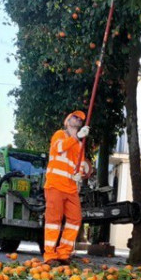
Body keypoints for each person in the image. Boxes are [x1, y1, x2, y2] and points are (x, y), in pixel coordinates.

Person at [43, 110, 88, 265]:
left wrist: (79, 177)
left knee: (75, 219)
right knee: (53, 221)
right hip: (55, 185)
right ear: (67, 121)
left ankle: (63, 253)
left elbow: (80, 165)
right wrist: (77, 137)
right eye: (75, 117)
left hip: (70, 188)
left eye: (80, 119)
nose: (78, 119)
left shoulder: (80, 145)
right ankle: (49, 255)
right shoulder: (59, 135)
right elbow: (60, 148)